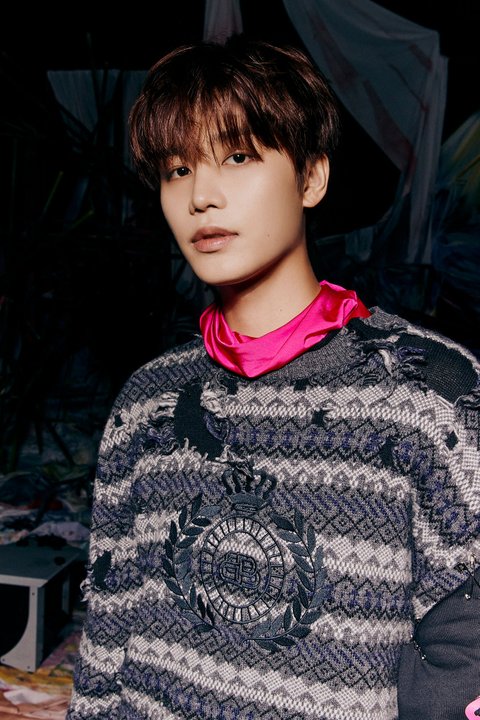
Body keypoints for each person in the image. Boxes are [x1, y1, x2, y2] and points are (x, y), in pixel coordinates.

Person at [66, 35, 480, 720]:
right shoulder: (147, 404)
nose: (201, 196)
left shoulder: (428, 395)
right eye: (176, 170)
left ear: (311, 178)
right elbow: (106, 646)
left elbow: (465, 656)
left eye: (237, 157)